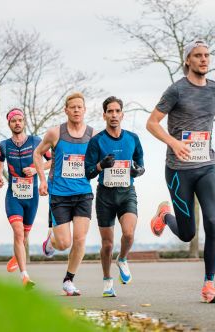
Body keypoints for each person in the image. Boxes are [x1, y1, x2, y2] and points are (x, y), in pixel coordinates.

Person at [146, 40, 215, 303]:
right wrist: (174, 142)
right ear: (188, 60)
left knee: (212, 222)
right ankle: (165, 216)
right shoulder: (176, 90)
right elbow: (151, 123)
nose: (203, 60)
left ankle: (209, 284)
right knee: (188, 233)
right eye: (198, 56)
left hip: (206, 166)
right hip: (178, 171)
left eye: (207, 55)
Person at [33, 92, 95, 296]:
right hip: (59, 194)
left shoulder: (93, 135)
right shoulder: (55, 133)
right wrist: (42, 179)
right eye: (73, 107)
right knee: (64, 243)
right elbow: (37, 153)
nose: (77, 110)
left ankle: (69, 280)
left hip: (84, 193)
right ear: (66, 110)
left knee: (79, 239)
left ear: (85, 110)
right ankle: (51, 242)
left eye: (80, 107)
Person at [84, 96, 145, 297]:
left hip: (126, 192)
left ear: (122, 114)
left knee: (128, 234)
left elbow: (141, 165)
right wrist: (101, 165)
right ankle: (107, 280)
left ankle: (123, 258)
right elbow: (88, 172)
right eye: (110, 111)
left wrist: (137, 171)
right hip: (105, 196)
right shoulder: (96, 141)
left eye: (117, 111)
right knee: (107, 244)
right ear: (104, 115)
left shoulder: (133, 138)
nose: (114, 115)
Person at [0, 108, 51, 289]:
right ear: (9, 124)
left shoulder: (36, 141)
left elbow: (53, 159)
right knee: (18, 232)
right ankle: (24, 276)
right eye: (14, 121)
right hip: (13, 195)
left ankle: (16, 256)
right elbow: (0, 159)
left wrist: (36, 169)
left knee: (24, 235)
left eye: (20, 120)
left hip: (31, 195)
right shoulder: (4, 144)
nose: (17, 123)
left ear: (24, 121)